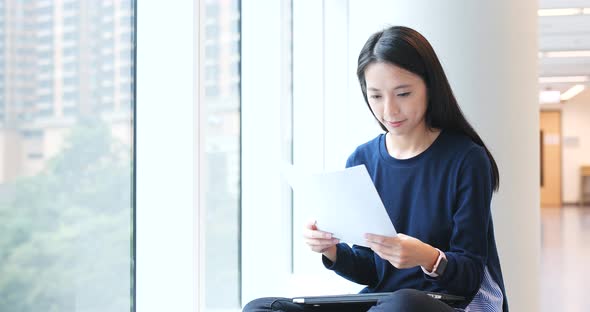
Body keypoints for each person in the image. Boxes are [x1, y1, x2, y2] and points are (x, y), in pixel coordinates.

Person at [243, 25, 508, 312]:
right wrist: (331, 251)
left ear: (430, 87)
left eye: (403, 93)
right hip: (382, 303)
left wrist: (427, 257)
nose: (389, 111)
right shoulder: (362, 159)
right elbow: (371, 271)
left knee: (404, 303)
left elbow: (469, 277)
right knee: (261, 308)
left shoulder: (466, 159)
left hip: (444, 304)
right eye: (376, 96)